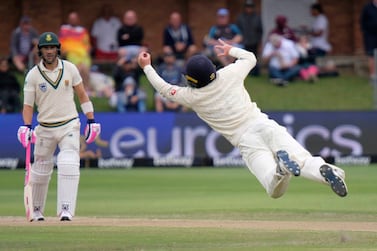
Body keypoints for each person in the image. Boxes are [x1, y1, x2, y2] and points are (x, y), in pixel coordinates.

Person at [138, 39, 348, 199]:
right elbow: (251, 59)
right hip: (264, 124)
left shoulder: (192, 97)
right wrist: (230, 50)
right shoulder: (230, 73)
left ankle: (282, 170)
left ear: (192, 80)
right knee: (302, 160)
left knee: (273, 189)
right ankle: (329, 171)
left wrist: (146, 66)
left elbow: (164, 89)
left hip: (247, 140)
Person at [17, 32, 101, 222]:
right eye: (45, 48)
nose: (49, 51)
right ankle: (37, 210)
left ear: (57, 49)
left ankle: (66, 209)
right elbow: (28, 105)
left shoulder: (70, 69)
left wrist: (91, 119)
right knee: (40, 168)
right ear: (40, 51)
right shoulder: (33, 75)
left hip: (69, 124)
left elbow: (82, 94)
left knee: (69, 162)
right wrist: (26, 126)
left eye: (52, 47)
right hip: (45, 127)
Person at [59, 11, 92, 93]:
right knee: (78, 68)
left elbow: (87, 44)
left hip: (82, 53)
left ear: (78, 20)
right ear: (68, 20)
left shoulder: (82, 31)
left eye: (74, 19)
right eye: (71, 19)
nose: (72, 20)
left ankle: (86, 88)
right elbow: (61, 42)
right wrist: (64, 50)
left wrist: (87, 50)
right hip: (70, 52)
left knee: (84, 68)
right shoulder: (64, 29)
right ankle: (77, 88)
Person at [236, 0, 263, 76]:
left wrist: (259, 42)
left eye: (250, 7)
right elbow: (237, 30)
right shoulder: (240, 17)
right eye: (247, 7)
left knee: (254, 58)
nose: (249, 9)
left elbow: (260, 31)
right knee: (244, 58)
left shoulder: (257, 18)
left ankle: (254, 72)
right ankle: (244, 72)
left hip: (254, 41)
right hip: (243, 42)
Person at [360, 0, 377, 82]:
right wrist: (365, 32)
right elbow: (362, 21)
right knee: (371, 56)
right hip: (370, 37)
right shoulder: (367, 7)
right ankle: (373, 76)